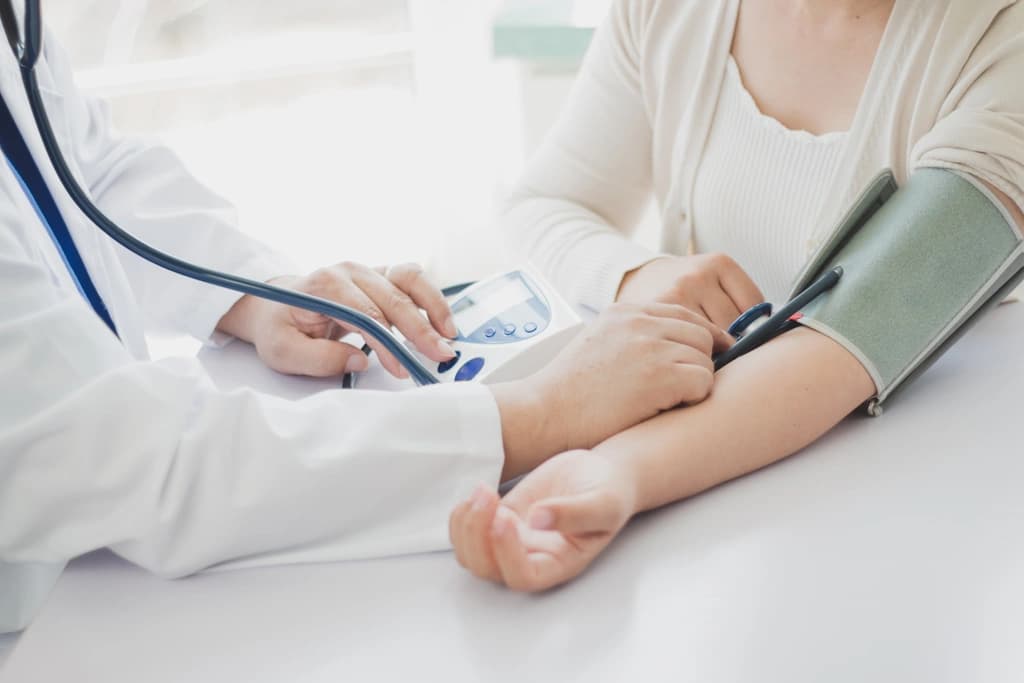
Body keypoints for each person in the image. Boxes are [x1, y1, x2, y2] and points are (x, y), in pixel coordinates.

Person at [0, 16, 735, 632]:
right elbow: (135, 458)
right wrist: (544, 412)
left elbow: (85, 168)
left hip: (97, 587)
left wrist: (256, 294)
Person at [449, 0, 1024, 590]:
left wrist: (616, 469)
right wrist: (638, 275)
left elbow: (857, 327)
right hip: (712, 548)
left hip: (911, 531)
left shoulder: (1003, 35)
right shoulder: (667, 13)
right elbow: (546, 203)